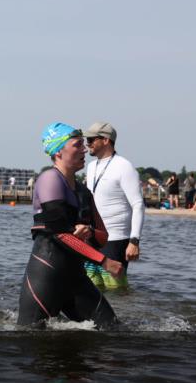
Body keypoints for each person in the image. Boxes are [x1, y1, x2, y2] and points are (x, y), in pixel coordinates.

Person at [17, 123, 122, 329]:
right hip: (46, 275)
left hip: (76, 278)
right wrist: (104, 261)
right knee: (31, 338)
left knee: (113, 330)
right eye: (77, 145)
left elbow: (103, 237)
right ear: (58, 151)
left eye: (84, 145)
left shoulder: (84, 192)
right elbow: (58, 234)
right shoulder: (49, 179)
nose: (84, 150)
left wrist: (90, 232)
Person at [82, 122, 144, 290]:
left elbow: (138, 205)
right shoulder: (90, 166)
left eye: (91, 139)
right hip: (92, 236)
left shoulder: (124, 166)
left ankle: (125, 315)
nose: (87, 144)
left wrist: (134, 241)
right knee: (91, 287)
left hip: (116, 238)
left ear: (106, 140)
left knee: (115, 290)